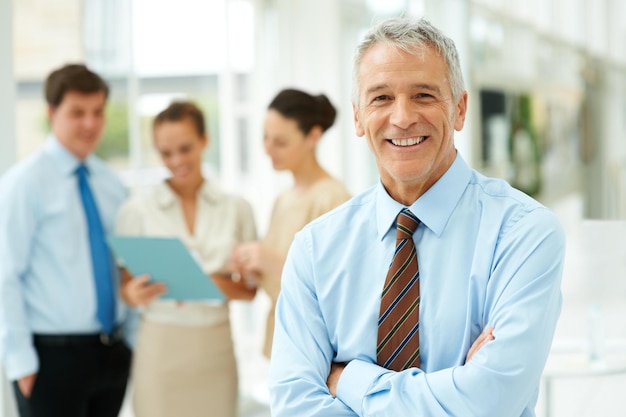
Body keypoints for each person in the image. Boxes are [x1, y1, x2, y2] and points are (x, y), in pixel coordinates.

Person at [268, 17, 565, 417]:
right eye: (381, 98)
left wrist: (349, 381)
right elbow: (294, 408)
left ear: (459, 109)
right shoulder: (314, 249)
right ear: (358, 117)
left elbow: (492, 402)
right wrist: (453, 389)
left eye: (424, 95)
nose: (403, 117)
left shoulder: (524, 233)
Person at [0, 64, 133, 417]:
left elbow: (122, 265)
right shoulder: (24, 184)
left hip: (111, 353)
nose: (90, 124)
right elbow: (5, 275)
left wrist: (130, 343)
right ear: (51, 112)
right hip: (51, 358)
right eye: (77, 113)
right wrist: (20, 360)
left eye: (98, 112)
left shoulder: (111, 184)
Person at [115, 101, 257, 417]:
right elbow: (126, 289)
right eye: (166, 153)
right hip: (160, 354)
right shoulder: (136, 212)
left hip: (215, 352)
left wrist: (196, 282)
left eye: (185, 148)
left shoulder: (237, 209)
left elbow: (249, 291)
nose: (176, 160)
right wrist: (133, 294)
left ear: (205, 141)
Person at [230, 88, 351, 359]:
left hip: (311, 348)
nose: (268, 150)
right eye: (265, 138)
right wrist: (251, 268)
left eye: (281, 142)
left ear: (313, 136)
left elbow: (337, 291)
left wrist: (271, 261)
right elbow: (277, 282)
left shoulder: (333, 198)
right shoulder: (282, 200)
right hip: (279, 344)